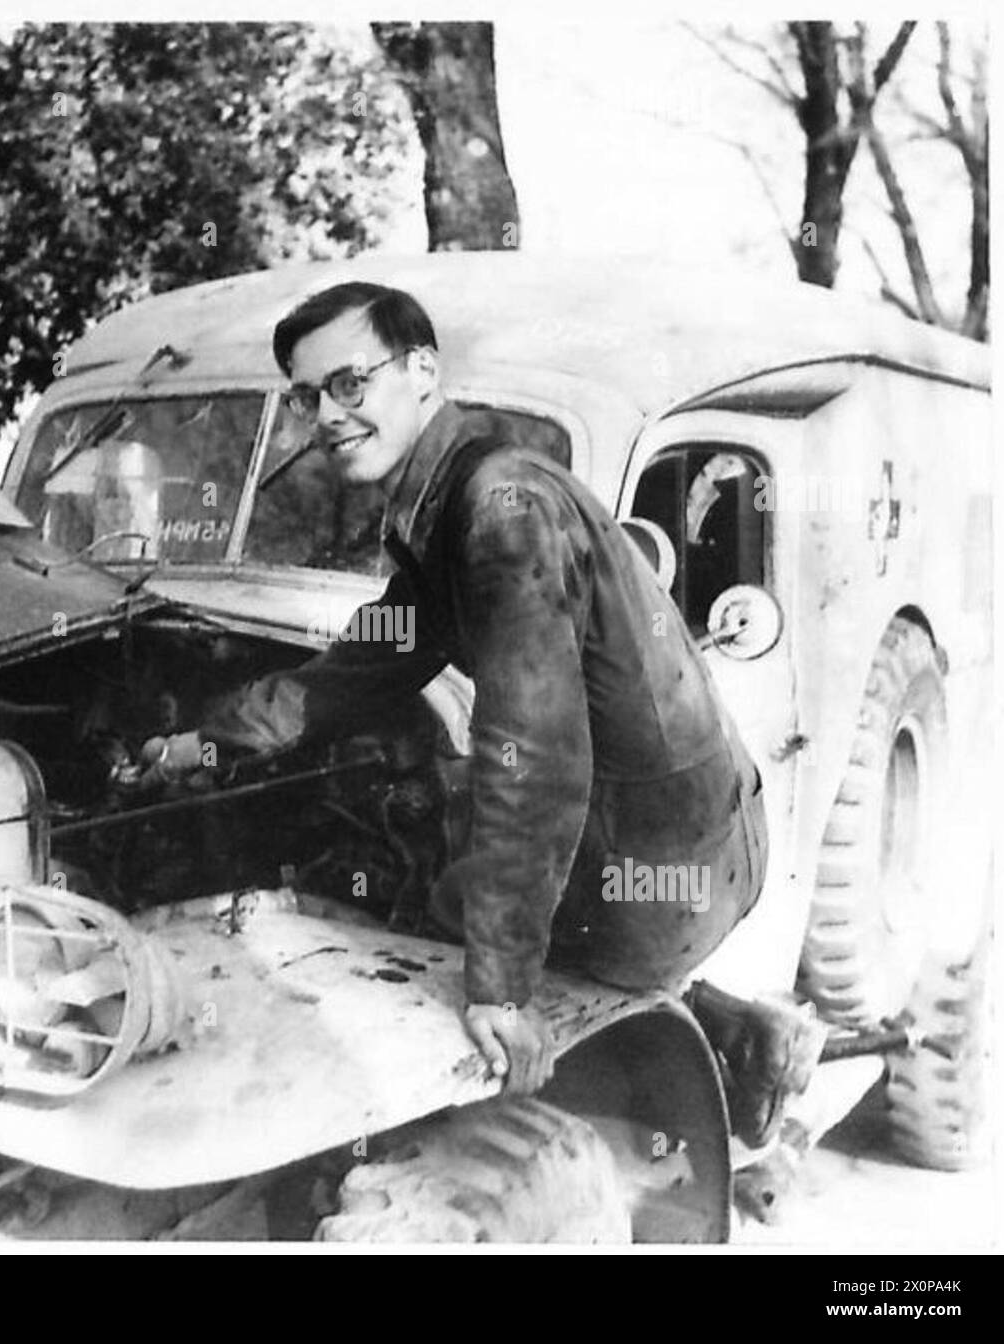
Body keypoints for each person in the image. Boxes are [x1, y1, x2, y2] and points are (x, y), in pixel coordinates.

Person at [142, 281, 822, 1145]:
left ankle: (610, 1086)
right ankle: (740, 1030)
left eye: (349, 384)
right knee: (441, 853)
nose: (326, 415)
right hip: (674, 838)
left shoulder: (502, 513)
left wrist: (499, 989)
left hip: (659, 869)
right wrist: (204, 742)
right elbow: (362, 666)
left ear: (422, 369)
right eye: (307, 397)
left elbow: (532, 756)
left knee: (395, 907)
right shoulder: (454, 502)